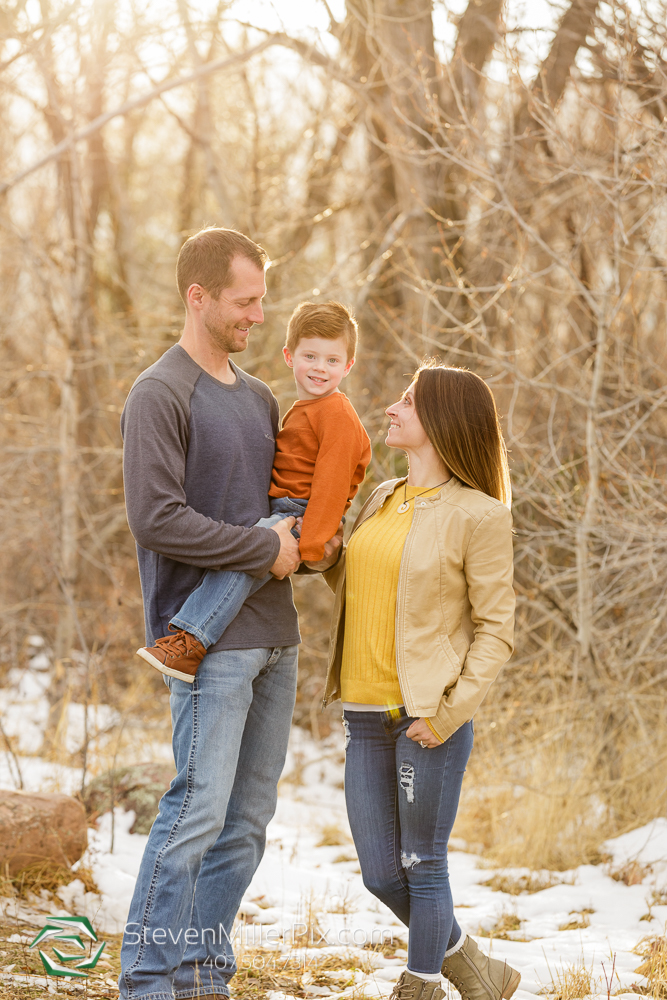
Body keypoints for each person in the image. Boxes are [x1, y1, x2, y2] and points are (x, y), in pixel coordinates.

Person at [118, 227, 342, 1000]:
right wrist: (260, 549)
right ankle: (147, 982)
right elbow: (156, 519)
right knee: (193, 816)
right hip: (207, 644)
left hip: (276, 635)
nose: (256, 315)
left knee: (245, 826)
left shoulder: (259, 396)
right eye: (245, 302)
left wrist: (315, 541)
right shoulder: (160, 392)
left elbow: (280, 512)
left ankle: (200, 973)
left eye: (260, 301)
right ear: (199, 295)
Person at [322, 363, 521, 1000]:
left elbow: (497, 630)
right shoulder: (383, 497)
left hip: (425, 718)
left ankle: (423, 983)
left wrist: (449, 713)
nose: (391, 409)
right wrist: (318, 552)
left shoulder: (480, 516)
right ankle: (479, 972)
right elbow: (365, 588)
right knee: (381, 875)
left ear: (439, 420)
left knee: (422, 865)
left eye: (407, 401)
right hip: (363, 713)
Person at [136, 300, 371, 683]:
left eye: (332, 361)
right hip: (285, 507)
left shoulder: (337, 414)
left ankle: (191, 639)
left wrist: (309, 545)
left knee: (244, 565)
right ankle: (187, 638)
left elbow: (331, 484)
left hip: (300, 510)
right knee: (250, 556)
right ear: (289, 356)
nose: (319, 368)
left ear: (348, 366)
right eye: (310, 356)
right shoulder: (301, 408)